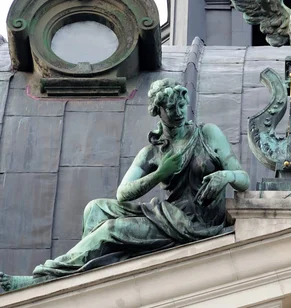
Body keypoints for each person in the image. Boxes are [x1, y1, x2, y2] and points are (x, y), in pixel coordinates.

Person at [0, 79, 249, 291]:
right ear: (158, 111)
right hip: (169, 216)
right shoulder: (152, 153)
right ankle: (85, 278)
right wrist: (159, 173)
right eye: (171, 108)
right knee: (94, 209)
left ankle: (44, 280)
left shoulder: (208, 134)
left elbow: (243, 178)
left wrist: (225, 176)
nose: (179, 112)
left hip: (195, 224)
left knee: (110, 230)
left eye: (182, 105)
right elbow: (122, 194)